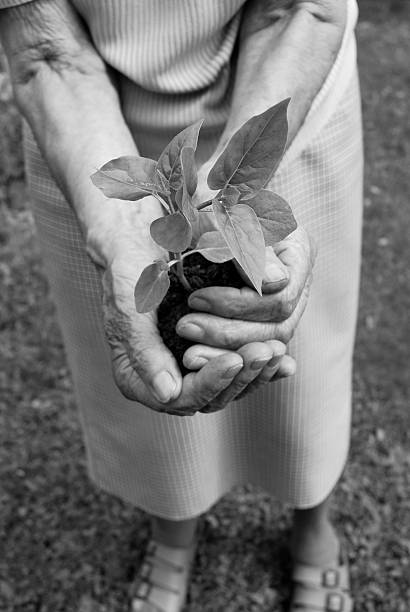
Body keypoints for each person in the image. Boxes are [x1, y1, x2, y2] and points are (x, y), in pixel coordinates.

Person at [0, 1, 362, 611]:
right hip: (91, 138)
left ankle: (311, 521)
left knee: (300, 368)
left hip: (285, 95)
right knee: (155, 367)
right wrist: (117, 229)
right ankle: (174, 528)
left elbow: (301, 7)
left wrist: (235, 195)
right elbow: (46, 50)